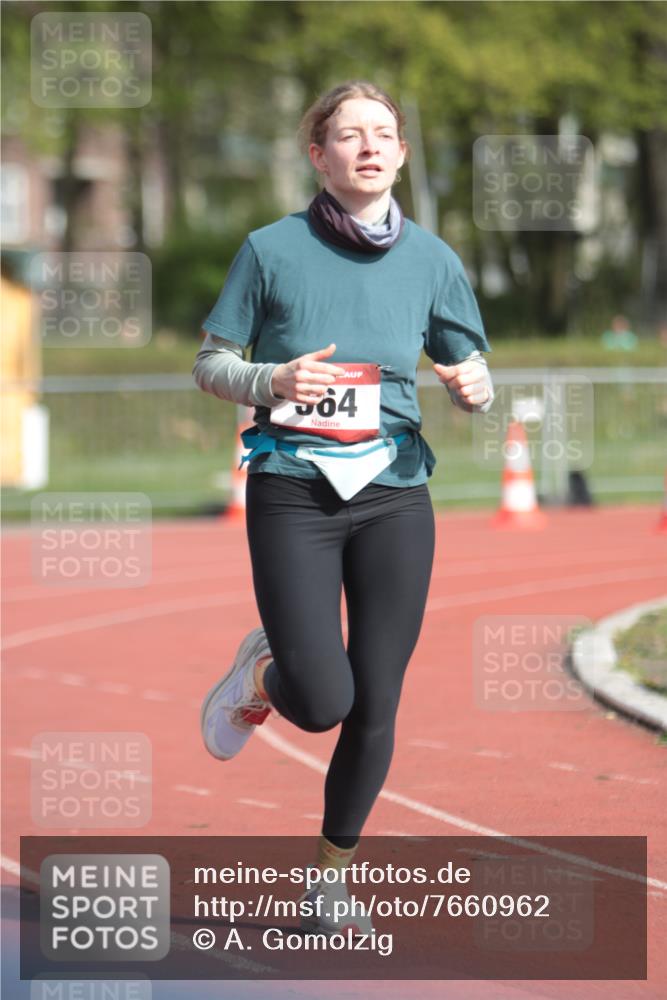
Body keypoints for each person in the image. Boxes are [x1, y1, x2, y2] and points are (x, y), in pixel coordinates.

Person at [192, 80, 494, 936]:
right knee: (323, 699)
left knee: (377, 704)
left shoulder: (434, 259)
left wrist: (475, 387)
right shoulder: (270, 249)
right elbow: (211, 362)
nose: (368, 145)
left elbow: (468, 368)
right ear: (317, 154)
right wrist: (270, 380)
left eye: (384, 133)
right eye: (348, 134)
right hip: (294, 488)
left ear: (400, 154)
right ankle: (266, 672)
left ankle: (331, 879)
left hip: (396, 494)